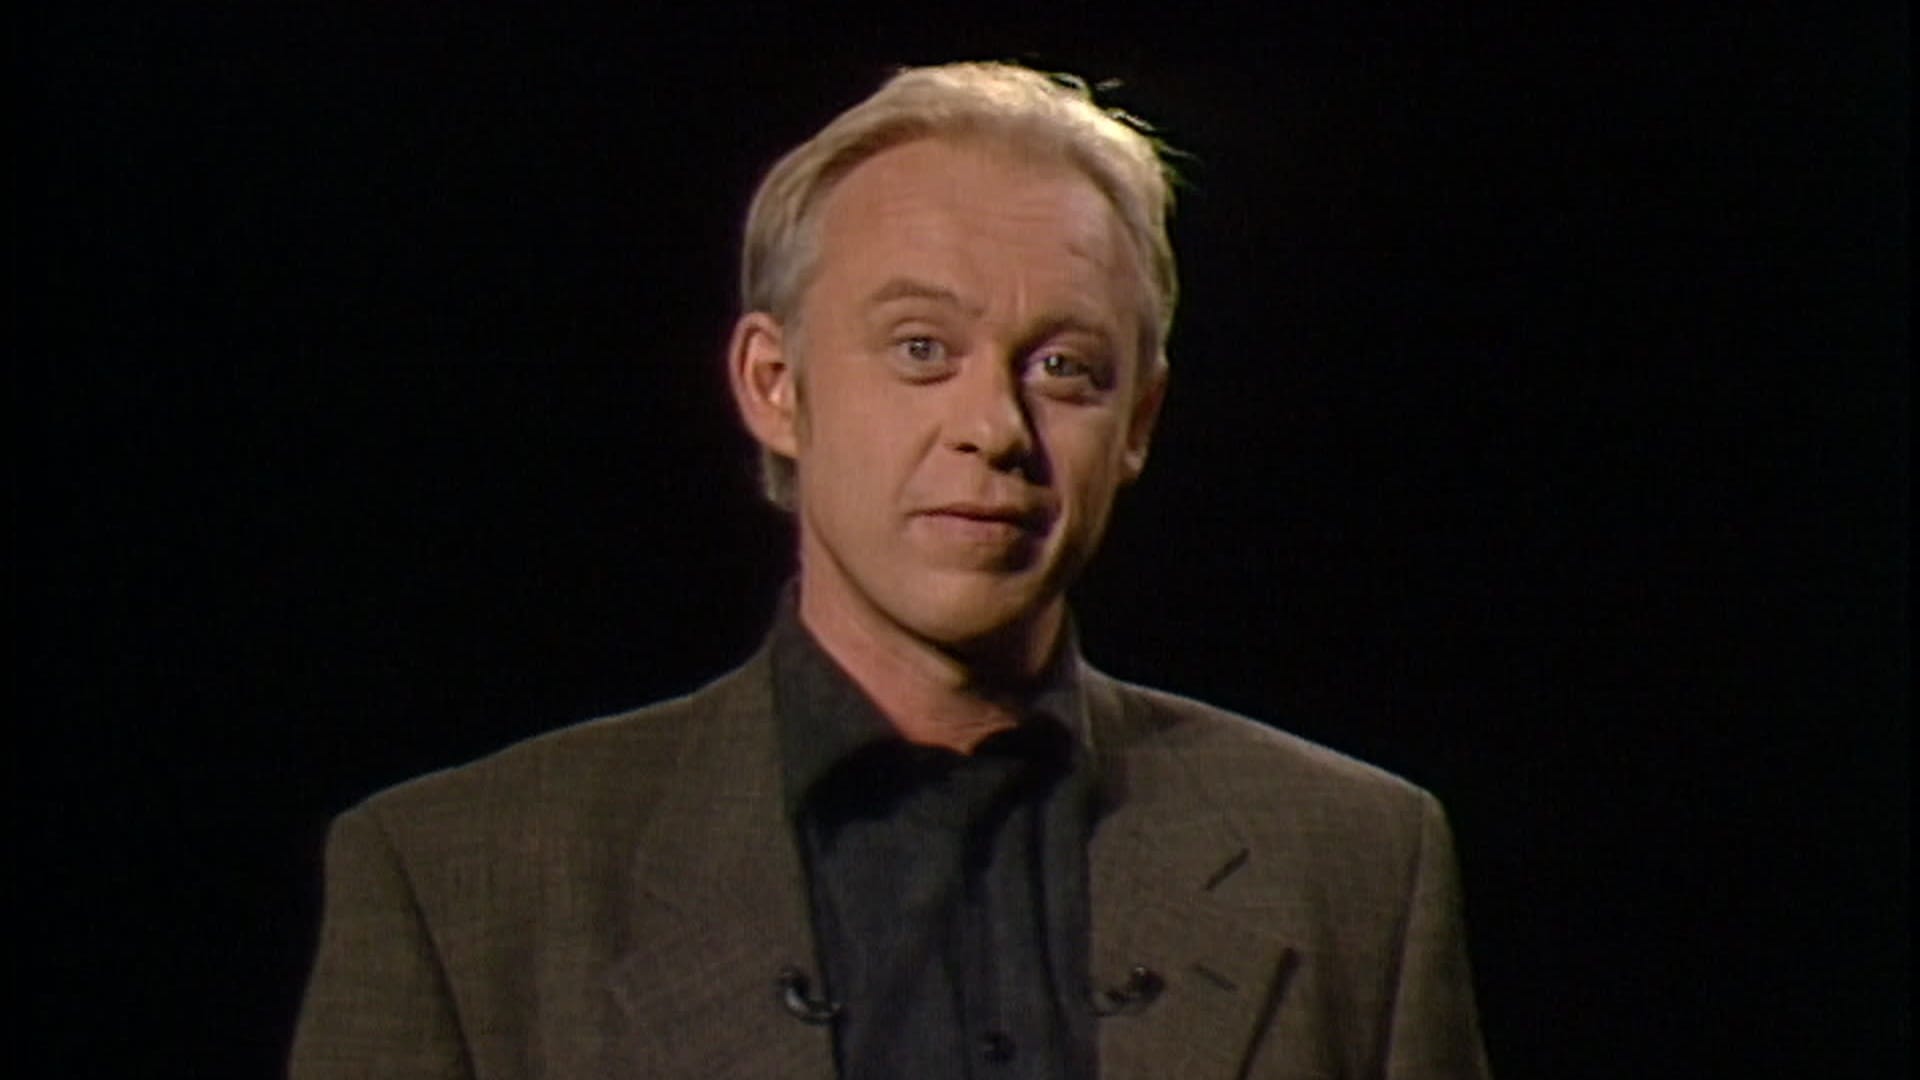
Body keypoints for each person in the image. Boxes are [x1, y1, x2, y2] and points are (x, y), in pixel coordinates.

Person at [290, 61, 1491, 1079]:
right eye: (922, 349)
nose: (996, 428)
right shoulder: (459, 886)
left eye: (1065, 368)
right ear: (775, 386)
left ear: (1138, 423)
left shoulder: (1356, 864)